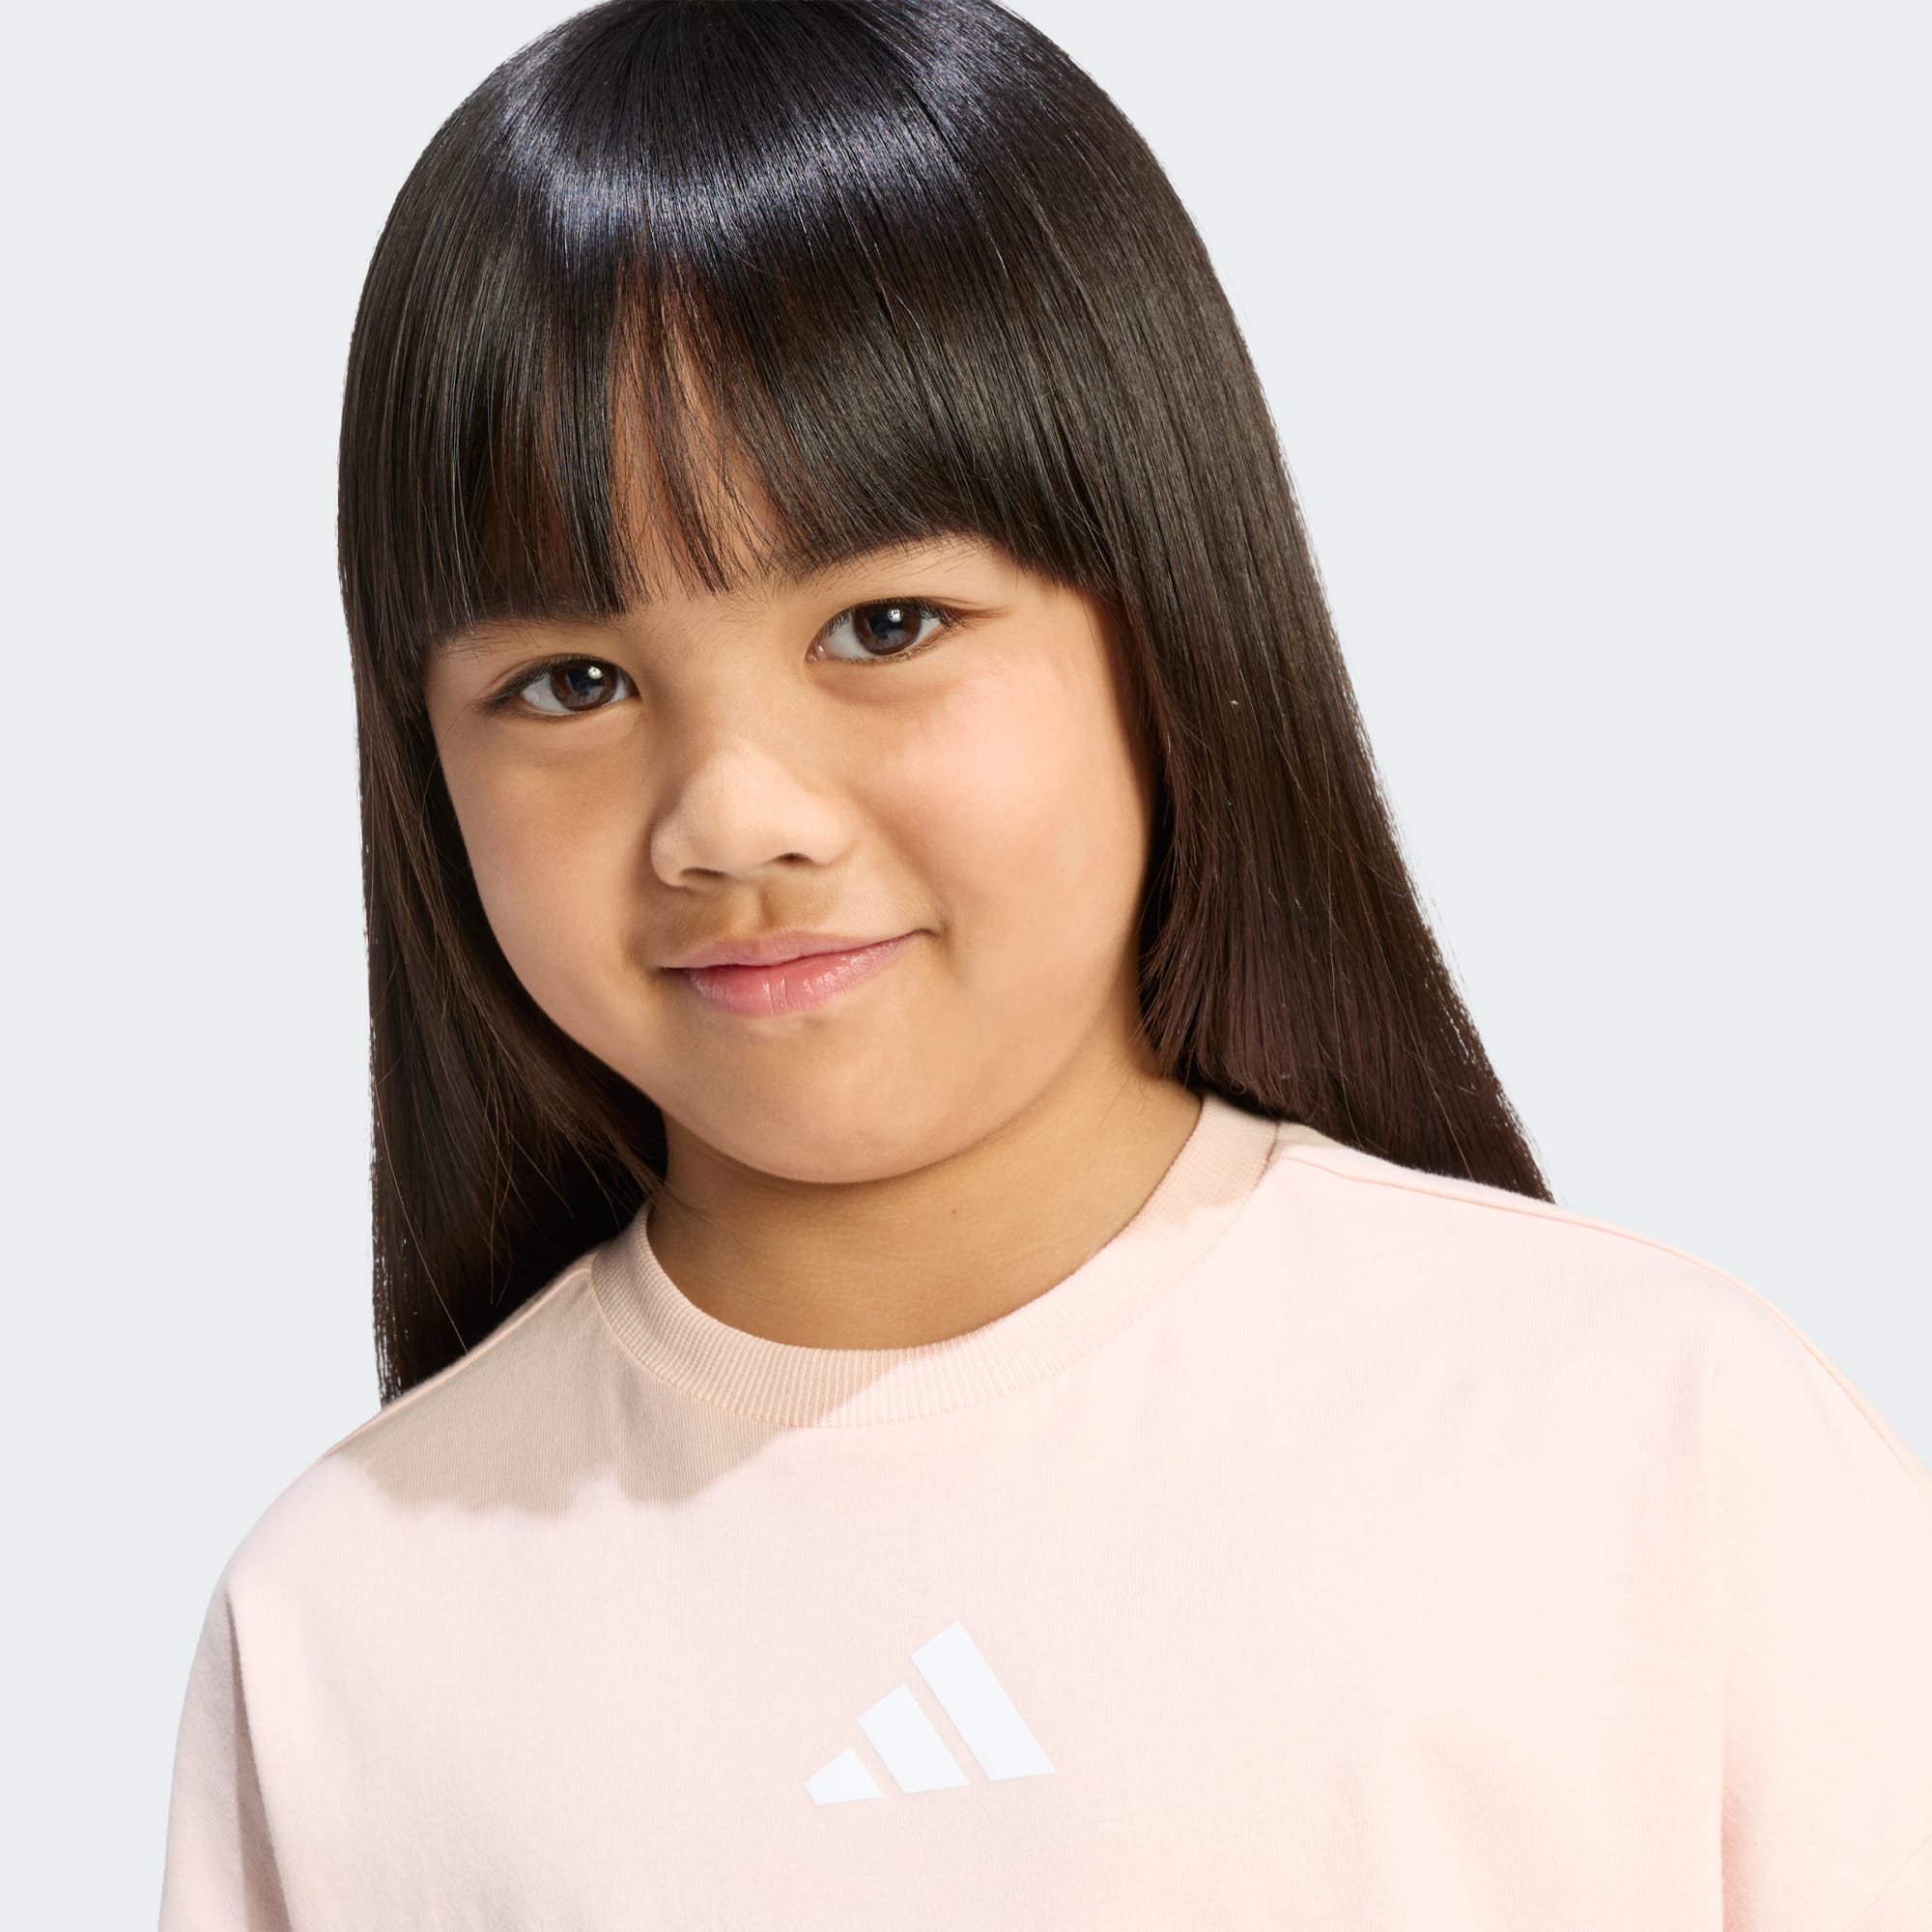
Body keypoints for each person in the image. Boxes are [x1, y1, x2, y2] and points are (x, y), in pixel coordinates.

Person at [156, 1, 1932, 1924]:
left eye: (884, 625)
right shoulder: (346, 1624)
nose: (733, 817)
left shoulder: (1647, 1444)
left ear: (1165, 620)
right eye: (572, 682)